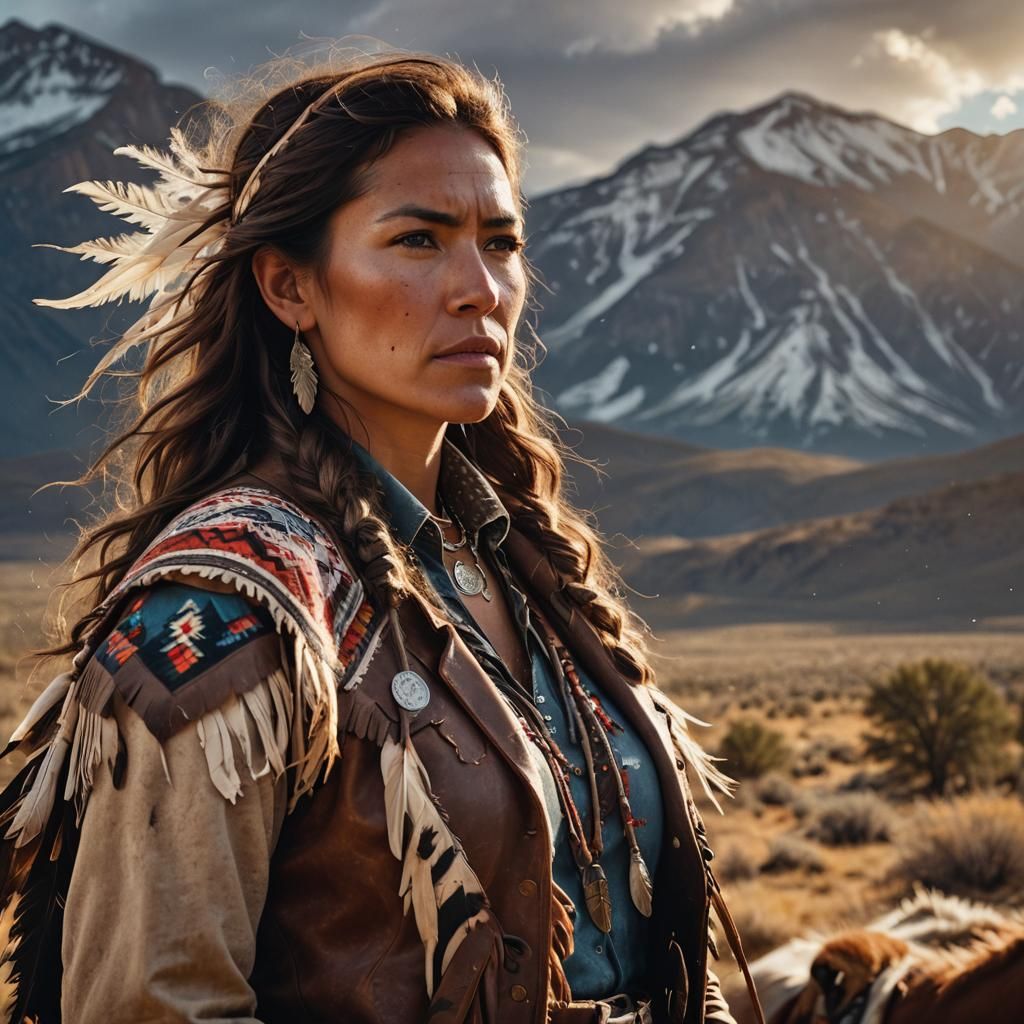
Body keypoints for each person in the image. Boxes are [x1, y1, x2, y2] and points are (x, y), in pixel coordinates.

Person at [0, 44, 763, 1024]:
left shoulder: (536, 572)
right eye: (419, 240)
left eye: (500, 242)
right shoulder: (223, 599)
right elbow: (153, 1002)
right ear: (289, 287)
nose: (479, 287)